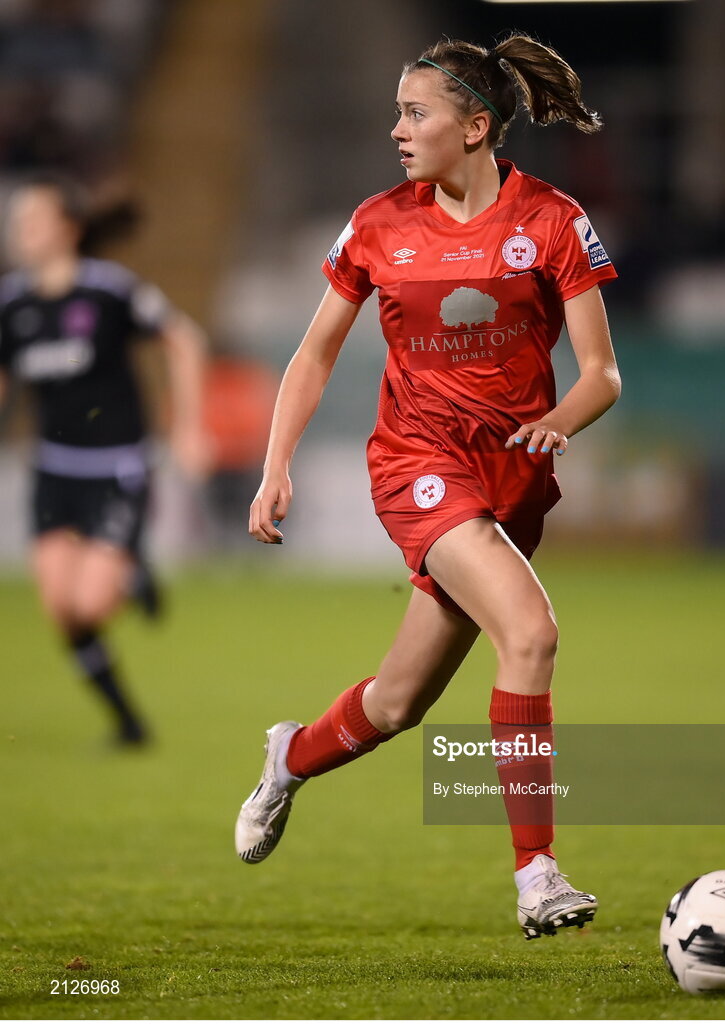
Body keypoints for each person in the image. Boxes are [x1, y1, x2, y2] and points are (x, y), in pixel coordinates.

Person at [237, 35, 621, 939]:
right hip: (417, 465)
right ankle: (538, 875)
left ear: (476, 126)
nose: (398, 130)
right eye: (398, 113)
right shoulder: (378, 222)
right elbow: (315, 351)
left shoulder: (554, 221)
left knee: (399, 703)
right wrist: (275, 463)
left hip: (514, 480)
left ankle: (289, 756)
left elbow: (600, 372)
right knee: (528, 634)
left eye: (417, 113)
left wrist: (558, 423)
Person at [0, 173, 208, 744]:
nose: (21, 233)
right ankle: (127, 721)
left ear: (68, 230)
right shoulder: (12, 302)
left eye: (32, 222)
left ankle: (131, 567)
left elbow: (184, 340)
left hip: (117, 468)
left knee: (90, 602)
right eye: (19, 223)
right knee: (62, 609)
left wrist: (189, 428)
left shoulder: (108, 290)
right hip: (52, 471)